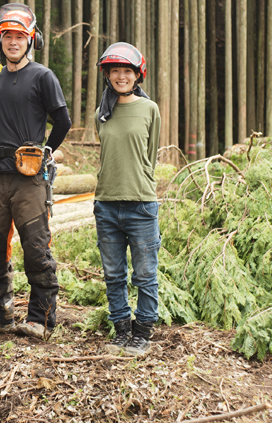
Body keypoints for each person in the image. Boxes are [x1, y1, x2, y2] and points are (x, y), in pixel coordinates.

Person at [0, 3, 71, 339]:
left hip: (29, 179)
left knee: (36, 247)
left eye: (20, 36)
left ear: (32, 39)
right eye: (7, 36)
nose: (14, 42)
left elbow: (63, 121)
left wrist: (46, 151)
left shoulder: (43, 77)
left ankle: (41, 319)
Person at [92, 42, 161, 356]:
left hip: (141, 204)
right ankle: (121, 329)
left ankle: (143, 332)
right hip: (106, 203)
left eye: (127, 71)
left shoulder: (149, 109)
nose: (121, 76)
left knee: (145, 274)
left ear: (137, 75)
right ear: (108, 75)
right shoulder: (101, 114)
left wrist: (138, 184)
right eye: (115, 71)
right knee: (114, 274)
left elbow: (150, 156)